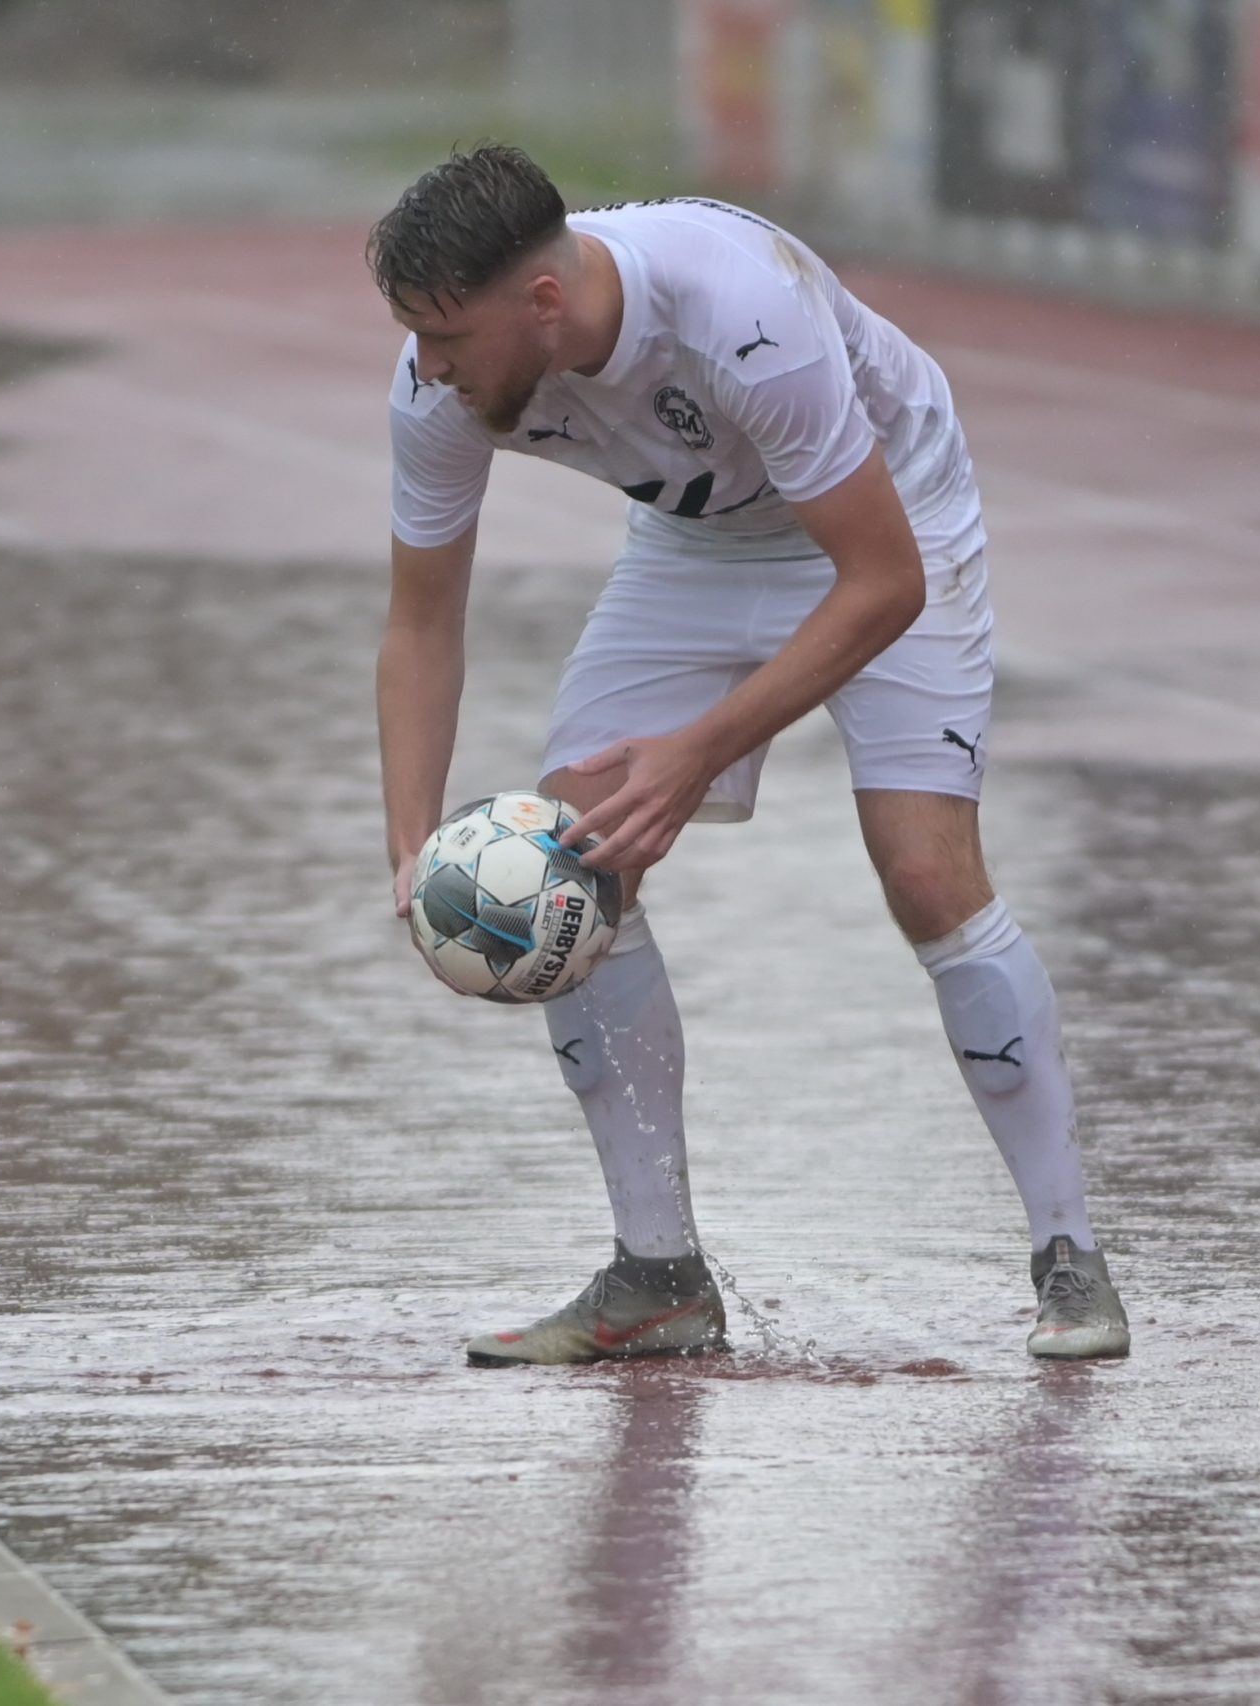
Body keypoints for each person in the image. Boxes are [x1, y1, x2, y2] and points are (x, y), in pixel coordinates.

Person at [370, 146, 1129, 1365]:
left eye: (449, 336)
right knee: (575, 852)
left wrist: (696, 754)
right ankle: (657, 1278)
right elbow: (420, 621)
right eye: (416, 337)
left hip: (888, 522)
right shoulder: (436, 386)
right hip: (694, 547)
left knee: (926, 872)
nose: (432, 367)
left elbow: (883, 583)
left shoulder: (739, 314)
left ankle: (1069, 1255)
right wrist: (410, 847)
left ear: (544, 305)